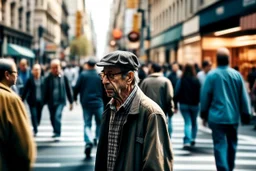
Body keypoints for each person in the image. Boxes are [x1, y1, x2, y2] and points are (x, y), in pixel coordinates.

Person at [95, 51, 173, 171]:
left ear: (129, 78)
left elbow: (156, 166)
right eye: (103, 75)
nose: (104, 81)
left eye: (111, 75)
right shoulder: (110, 109)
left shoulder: (151, 114)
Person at [200, 48, 251, 171]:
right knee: (232, 144)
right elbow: (244, 97)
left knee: (219, 145)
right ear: (229, 59)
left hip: (216, 117)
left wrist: (204, 113)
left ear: (216, 60)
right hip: (232, 117)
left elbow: (205, 96)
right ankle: (230, 167)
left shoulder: (212, 75)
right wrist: (246, 113)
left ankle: (223, 168)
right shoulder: (236, 75)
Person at [0, 58, 36, 171]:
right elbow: (24, 145)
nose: (17, 76)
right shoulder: (10, 99)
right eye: (15, 72)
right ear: (7, 75)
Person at [73, 58, 104, 158]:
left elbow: (76, 87)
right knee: (99, 122)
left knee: (87, 123)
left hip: (86, 102)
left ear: (87, 65)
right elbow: (105, 89)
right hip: (98, 102)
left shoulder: (83, 75)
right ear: (95, 65)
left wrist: (74, 99)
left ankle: (88, 141)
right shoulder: (99, 75)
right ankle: (97, 139)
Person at [140, 62, 174, 138]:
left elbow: (140, 97)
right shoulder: (166, 81)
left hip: (147, 110)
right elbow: (169, 97)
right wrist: (171, 109)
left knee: (148, 131)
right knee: (163, 129)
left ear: (152, 69)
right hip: (162, 110)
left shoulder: (145, 81)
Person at [44, 59, 74, 139]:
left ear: (60, 67)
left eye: (56, 67)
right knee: (52, 117)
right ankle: (55, 130)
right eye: (53, 68)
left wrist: (71, 102)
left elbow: (68, 89)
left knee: (57, 116)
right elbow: (45, 90)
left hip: (61, 101)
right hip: (51, 102)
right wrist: (43, 101)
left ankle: (57, 132)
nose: (55, 69)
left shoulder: (64, 77)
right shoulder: (48, 78)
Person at [174, 63, 201, 148]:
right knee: (194, 122)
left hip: (184, 104)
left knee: (187, 122)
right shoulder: (196, 80)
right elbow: (200, 93)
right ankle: (193, 138)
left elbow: (177, 92)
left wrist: (175, 105)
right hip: (195, 104)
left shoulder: (181, 79)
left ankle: (187, 140)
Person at [22, 64, 45, 136]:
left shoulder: (43, 79)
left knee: (38, 116)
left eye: (38, 69)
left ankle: (36, 125)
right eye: (35, 70)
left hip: (40, 102)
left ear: (40, 71)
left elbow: (47, 90)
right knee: (33, 115)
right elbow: (25, 90)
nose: (37, 71)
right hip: (32, 101)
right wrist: (22, 100)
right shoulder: (30, 80)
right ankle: (35, 129)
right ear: (32, 71)